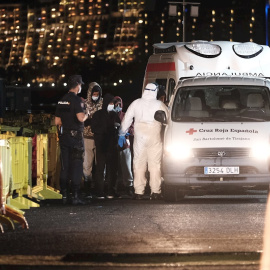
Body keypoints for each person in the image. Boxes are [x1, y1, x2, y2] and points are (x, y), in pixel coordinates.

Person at [119, 82, 168, 200]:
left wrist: (121, 133)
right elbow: (168, 119)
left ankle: (139, 191)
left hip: (139, 137)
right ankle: (155, 191)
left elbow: (127, 120)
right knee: (155, 164)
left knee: (138, 164)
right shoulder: (159, 104)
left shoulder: (136, 103)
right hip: (154, 135)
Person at [55, 75, 88, 205]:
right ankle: (75, 196)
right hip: (76, 139)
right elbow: (80, 118)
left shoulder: (62, 100)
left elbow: (57, 121)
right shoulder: (77, 100)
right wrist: (87, 115)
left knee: (65, 165)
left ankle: (63, 194)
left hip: (64, 137)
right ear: (78, 85)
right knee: (76, 165)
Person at [91, 93, 121, 199]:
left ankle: (111, 190)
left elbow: (118, 126)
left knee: (112, 169)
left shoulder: (114, 115)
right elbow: (93, 128)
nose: (112, 105)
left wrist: (116, 130)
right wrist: (105, 130)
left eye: (113, 103)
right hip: (101, 145)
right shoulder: (98, 115)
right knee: (100, 169)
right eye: (111, 103)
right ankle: (100, 191)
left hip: (112, 145)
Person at [83, 82, 103, 196]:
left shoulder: (103, 103)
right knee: (87, 164)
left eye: (98, 93)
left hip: (100, 137)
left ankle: (100, 186)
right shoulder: (84, 103)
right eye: (94, 93)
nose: (96, 95)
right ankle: (87, 185)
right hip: (87, 137)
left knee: (100, 164)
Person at [113, 96, 134, 197]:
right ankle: (113, 187)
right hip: (113, 145)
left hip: (125, 145)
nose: (117, 106)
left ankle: (129, 186)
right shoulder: (110, 115)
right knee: (113, 168)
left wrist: (125, 132)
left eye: (119, 104)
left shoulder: (125, 116)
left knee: (126, 167)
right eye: (115, 104)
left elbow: (132, 129)